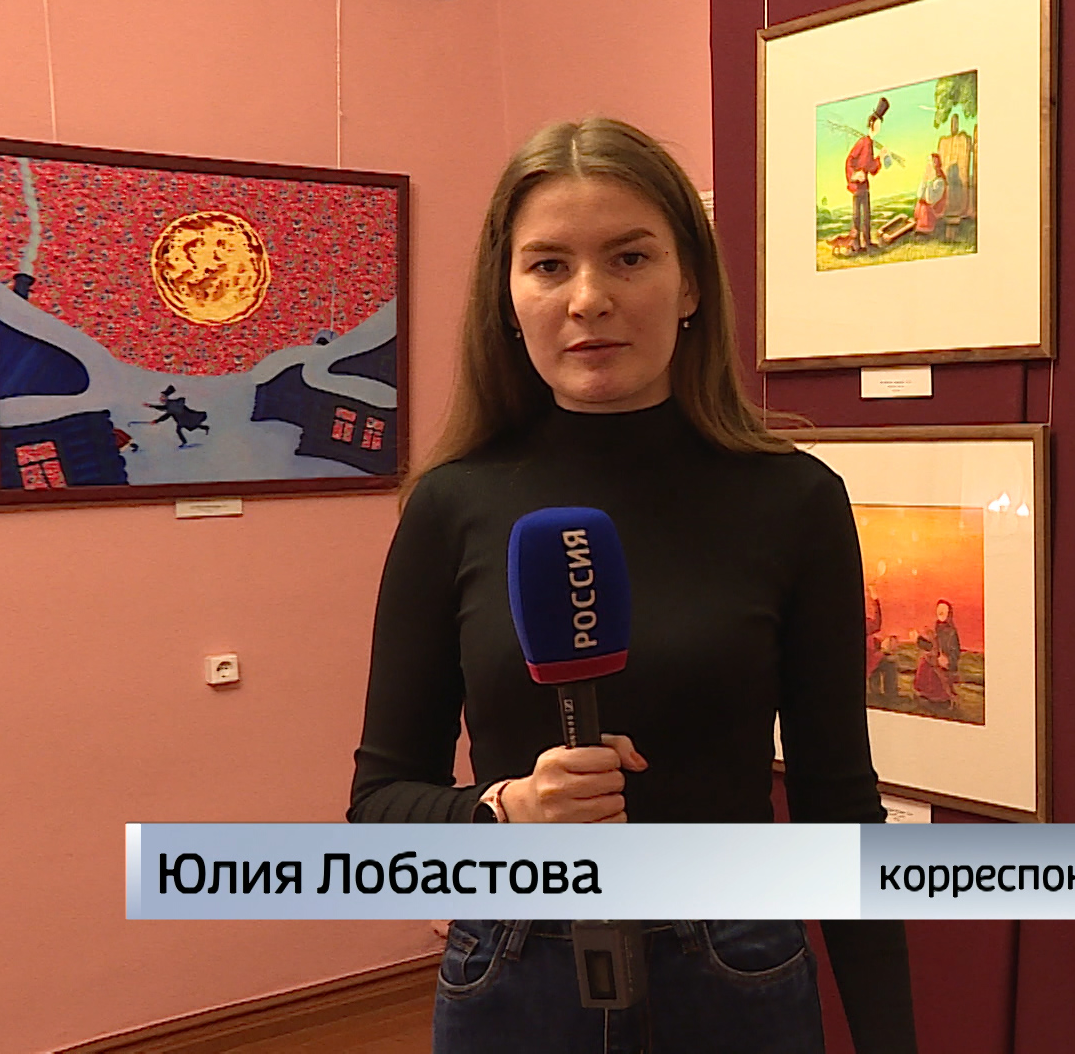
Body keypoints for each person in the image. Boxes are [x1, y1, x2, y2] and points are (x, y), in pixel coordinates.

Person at [348, 118, 916, 1053]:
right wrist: (504, 811)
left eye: (629, 258)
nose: (589, 299)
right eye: (548, 265)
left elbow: (838, 804)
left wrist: (890, 1038)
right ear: (508, 296)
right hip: (516, 970)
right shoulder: (451, 505)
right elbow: (379, 809)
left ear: (689, 283)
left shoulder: (794, 499)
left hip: (736, 966)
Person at [845, 98, 889, 253]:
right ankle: (856, 245)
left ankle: (867, 243)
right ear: (872, 124)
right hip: (857, 187)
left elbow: (871, 168)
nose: (879, 128)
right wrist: (855, 174)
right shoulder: (863, 142)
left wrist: (880, 157)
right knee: (857, 217)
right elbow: (849, 160)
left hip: (865, 187)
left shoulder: (870, 143)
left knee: (866, 216)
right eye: (877, 124)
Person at [912, 601, 962, 707]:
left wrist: (948, 660)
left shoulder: (951, 632)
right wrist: (918, 639)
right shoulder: (937, 628)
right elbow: (932, 646)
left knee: (934, 672)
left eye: (944, 610)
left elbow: (955, 652)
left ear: (948, 613)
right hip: (936, 660)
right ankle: (926, 695)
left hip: (945, 664)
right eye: (939, 610)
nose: (941, 612)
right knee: (923, 663)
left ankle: (941, 699)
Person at [913, 154, 948, 236]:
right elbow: (919, 195)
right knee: (920, 203)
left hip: (935, 208)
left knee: (924, 207)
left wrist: (929, 183)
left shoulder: (939, 181)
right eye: (928, 162)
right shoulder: (929, 178)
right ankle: (919, 227)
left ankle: (925, 230)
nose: (928, 165)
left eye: (931, 162)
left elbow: (930, 200)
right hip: (927, 207)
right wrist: (924, 181)